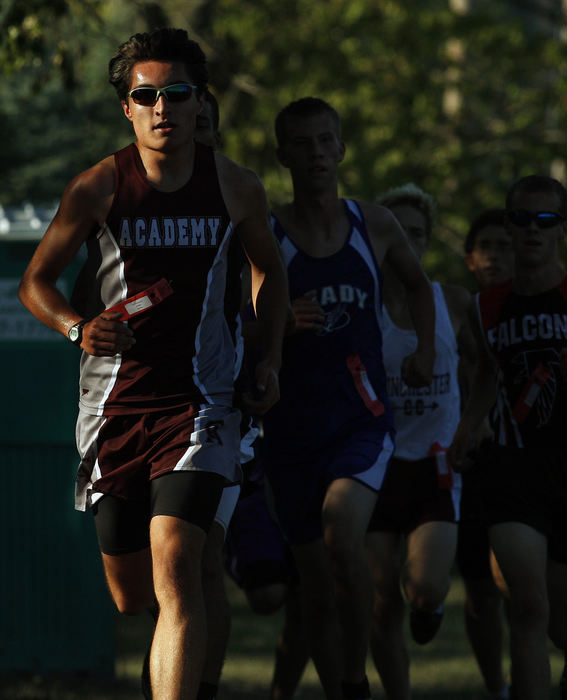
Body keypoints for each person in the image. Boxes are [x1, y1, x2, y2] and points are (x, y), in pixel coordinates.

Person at [18, 27, 289, 700]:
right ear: (127, 108)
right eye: (147, 95)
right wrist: (78, 327)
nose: (163, 108)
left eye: (178, 93)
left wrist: (268, 354)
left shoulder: (235, 188)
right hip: (115, 407)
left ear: (201, 102)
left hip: (201, 403)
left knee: (179, 564)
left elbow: (270, 273)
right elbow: (36, 283)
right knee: (131, 594)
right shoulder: (98, 187)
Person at [262, 97, 436, 700]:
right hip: (288, 430)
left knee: (342, 532)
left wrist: (426, 349)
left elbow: (417, 285)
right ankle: (340, 686)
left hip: (361, 419)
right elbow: (238, 319)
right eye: (302, 144)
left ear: (341, 148)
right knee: (315, 583)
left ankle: (358, 679)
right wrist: (278, 324)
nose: (315, 153)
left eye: (325, 141)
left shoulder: (374, 223)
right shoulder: (265, 233)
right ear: (283, 155)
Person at [449, 175, 567, 700]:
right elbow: (488, 373)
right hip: (512, 467)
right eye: (522, 219)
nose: (532, 231)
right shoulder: (485, 306)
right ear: (508, 226)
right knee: (528, 608)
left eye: (545, 220)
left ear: (564, 230)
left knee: (565, 622)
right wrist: (470, 422)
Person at [195, 88, 310, 700]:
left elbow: (271, 280)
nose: (196, 132)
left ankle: (197, 687)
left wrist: (270, 349)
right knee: (147, 581)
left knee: (199, 561)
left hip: (223, 405)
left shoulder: (239, 201)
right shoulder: (130, 200)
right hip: (145, 403)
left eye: (207, 123)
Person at [364, 183, 470, 700]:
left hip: (436, 463)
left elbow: (490, 369)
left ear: (428, 241)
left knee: (423, 587)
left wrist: (477, 423)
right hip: (378, 463)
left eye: (418, 233)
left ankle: (431, 606)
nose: (408, 241)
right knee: (381, 603)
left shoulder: (451, 301)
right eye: (397, 232)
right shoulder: (362, 308)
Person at [457, 208, 514, 700]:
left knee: (520, 581)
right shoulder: (456, 312)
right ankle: (497, 684)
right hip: (469, 461)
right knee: (479, 588)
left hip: (524, 459)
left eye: (505, 246)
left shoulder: (545, 310)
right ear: (469, 258)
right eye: (486, 247)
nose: (495, 255)